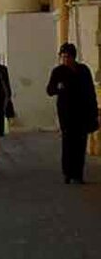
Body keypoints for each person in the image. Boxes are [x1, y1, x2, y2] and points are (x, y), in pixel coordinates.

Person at [46, 42, 99, 183]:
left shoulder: (83, 70)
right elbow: (49, 90)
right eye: (62, 56)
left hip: (82, 112)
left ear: (73, 57)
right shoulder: (58, 71)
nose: (65, 59)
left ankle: (78, 173)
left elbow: (90, 92)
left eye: (67, 57)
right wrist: (58, 87)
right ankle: (68, 172)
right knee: (68, 142)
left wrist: (94, 111)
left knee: (80, 143)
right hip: (66, 113)